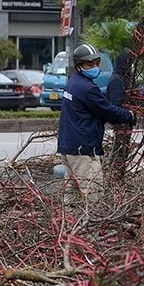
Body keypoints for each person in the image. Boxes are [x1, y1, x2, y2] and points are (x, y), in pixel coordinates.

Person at [56, 44, 135, 195]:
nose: (95, 67)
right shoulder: (87, 88)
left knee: (71, 196)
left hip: (68, 146)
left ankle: (67, 219)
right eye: (90, 64)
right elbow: (106, 110)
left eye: (97, 63)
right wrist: (129, 116)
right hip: (83, 150)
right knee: (93, 195)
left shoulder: (72, 83)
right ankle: (90, 219)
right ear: (79, 66)